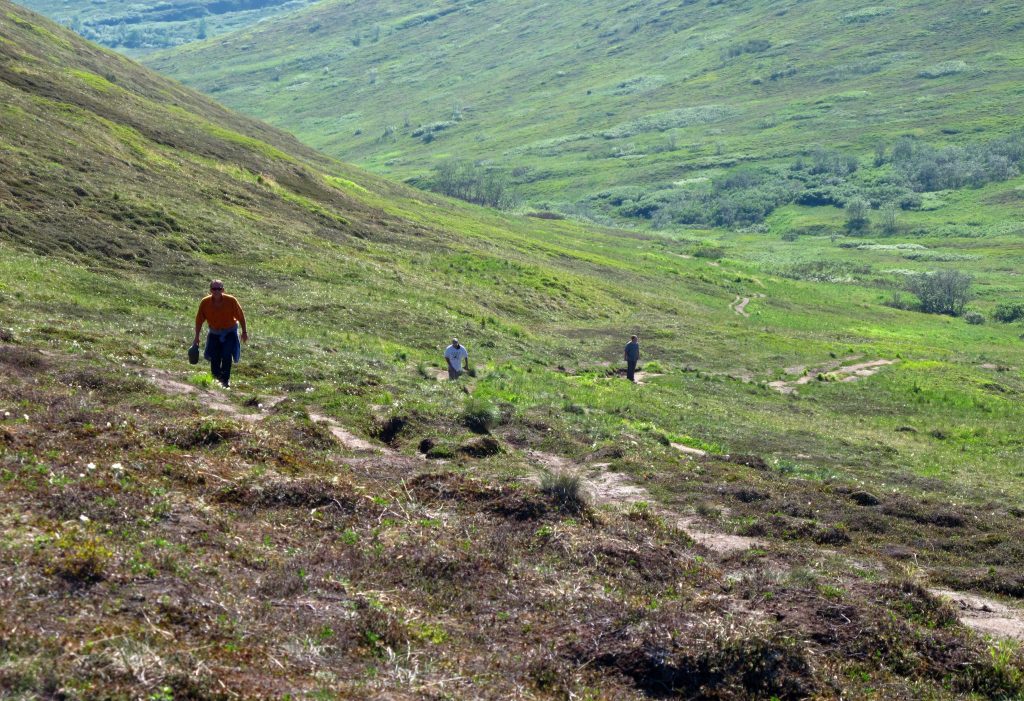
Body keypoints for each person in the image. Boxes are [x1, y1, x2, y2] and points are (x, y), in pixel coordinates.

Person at [193, 280, 248, 388]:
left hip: (230, 332)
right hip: (214, 333)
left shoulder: (231, 301)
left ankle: (225, 380)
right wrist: (197, 337)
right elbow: (199, 320)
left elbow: (241, 316)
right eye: (214, 289)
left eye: (219, 289)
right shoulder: (205, 302)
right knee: (215, 356)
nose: (216, 291)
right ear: (210, 290)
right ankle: (216, 378)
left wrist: (244, 332)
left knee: (227, 354)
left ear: (223, 290)